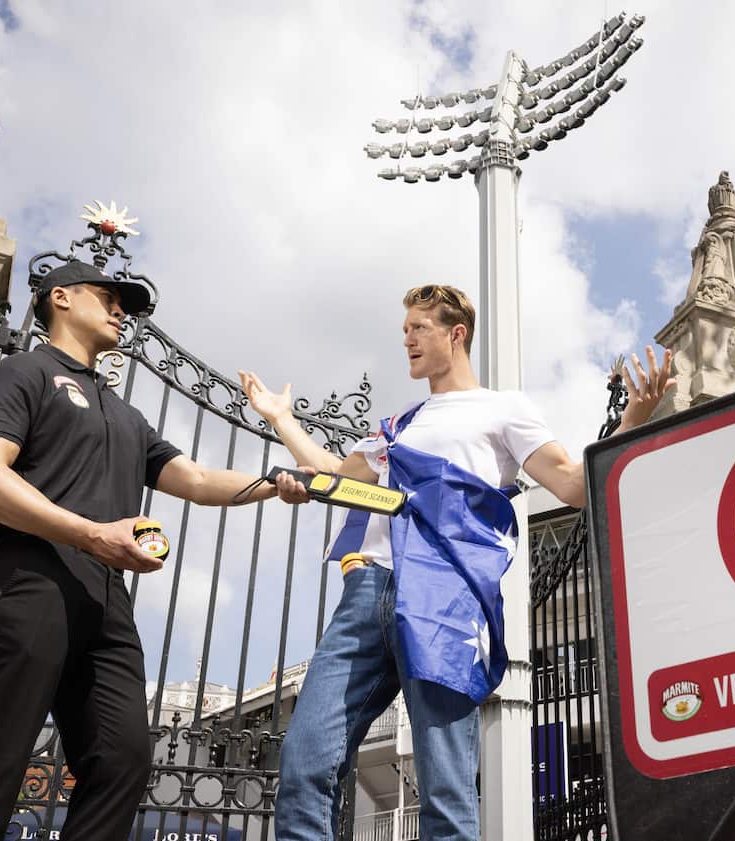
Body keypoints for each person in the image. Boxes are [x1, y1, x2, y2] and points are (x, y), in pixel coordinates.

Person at [238, 283, 673, 841]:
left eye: (419, 328)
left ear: (456, 334)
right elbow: (337, 477)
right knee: (304, 763)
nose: (408, 340)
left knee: (445, 790)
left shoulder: (503, 409)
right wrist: (281, 419)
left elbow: (571, 485)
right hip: (367, 592)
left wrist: (633, 417)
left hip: (444, 598)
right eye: (404, 331)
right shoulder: (401, 423)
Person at [0, 259, 311, 841]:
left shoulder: (124, 413)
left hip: (105, 599)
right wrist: (91, 533)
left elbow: (197, 480)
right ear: (60, 298)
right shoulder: (21, 374)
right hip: (31, 579)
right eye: (106, 296)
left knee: (123, 759)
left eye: (123, 305)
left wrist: (275, 482)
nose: (118, 310)